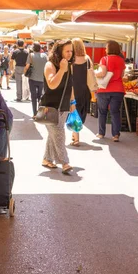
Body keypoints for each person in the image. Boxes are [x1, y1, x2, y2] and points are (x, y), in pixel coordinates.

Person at [40, 39, 74, 175]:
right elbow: (52, 84)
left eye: (71, 51)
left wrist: (73, 102)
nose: (70, 53)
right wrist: (62, 70)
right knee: (59, 134)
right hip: (51, 107)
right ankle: (65, 162)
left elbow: (70, 85)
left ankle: (47, 159)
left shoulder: (68, 65)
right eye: (67, 51)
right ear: (59, 52)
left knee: (54, 134)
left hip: (64, 106)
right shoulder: (50, 65)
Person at [95, 40, 126, 142]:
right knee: (115, 112)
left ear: (109, 49)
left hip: (104, 89)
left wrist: (94, 74)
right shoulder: (121, 60)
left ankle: (101, 133)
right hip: (118, 89)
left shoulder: (104, 59)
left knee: (102, 111)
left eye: (106, 47)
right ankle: (116, 135)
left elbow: (103, 73)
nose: (105, 49)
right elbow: (122, 75)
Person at [70, 38, 92, 147]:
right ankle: (75, 134)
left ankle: (76, 136)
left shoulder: (71, 60)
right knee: (81, 112)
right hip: (85, 90)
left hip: (73, 90)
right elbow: (91, 75)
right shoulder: (87, 59)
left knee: (74, 112)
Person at [25, 42, 48, 117]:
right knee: (40, 96)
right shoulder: (45, 55)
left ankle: (35, 113)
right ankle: (41, 112)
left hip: (32, 79)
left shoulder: (31, 55)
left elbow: (27, 66)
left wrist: (24, 72)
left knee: (33, 96)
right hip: (42, 79)